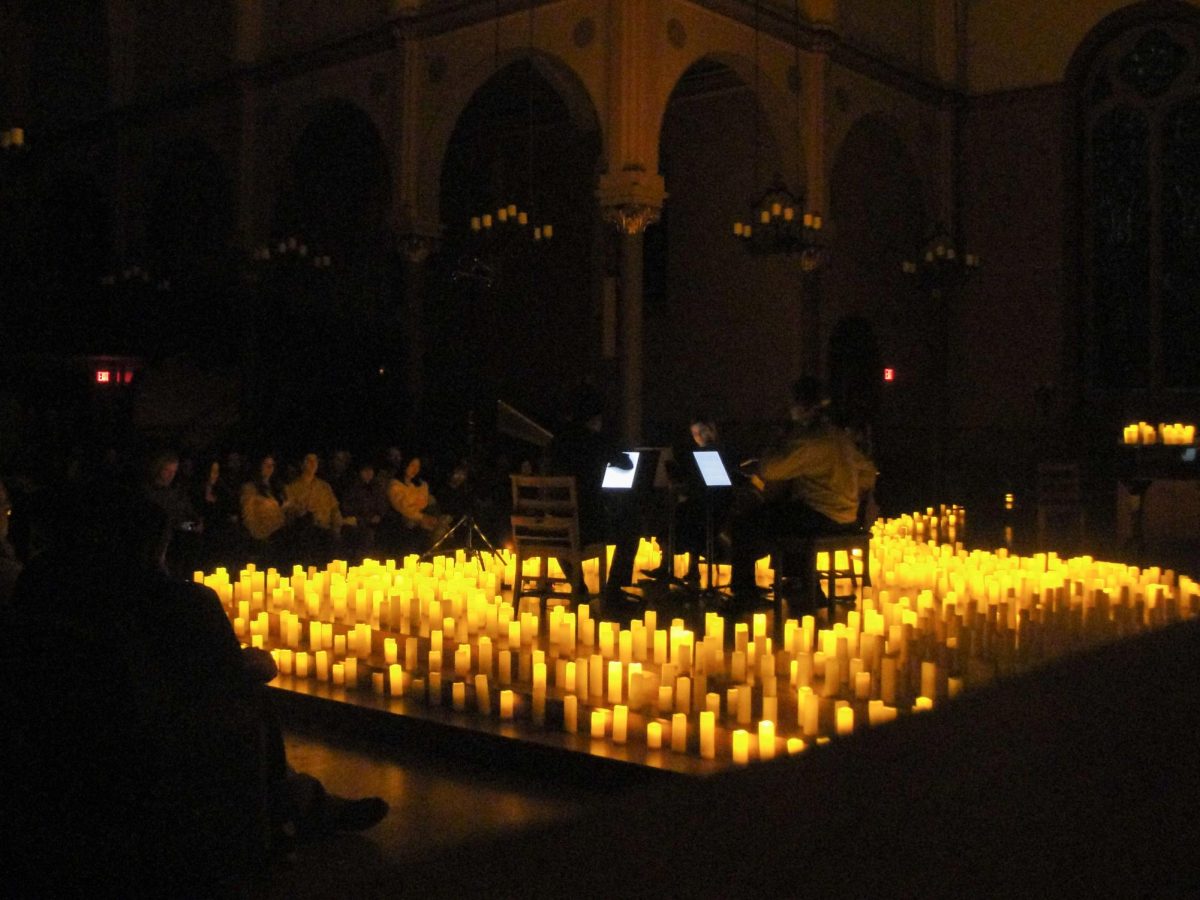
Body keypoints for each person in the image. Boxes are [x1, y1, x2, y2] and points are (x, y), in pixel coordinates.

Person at [4, 483, 387, 894]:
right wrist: (258, 662)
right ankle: (292, 809)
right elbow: (226, 671)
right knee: (250, 703)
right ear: (156, 547)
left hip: (55, 730)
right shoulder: (182, 601)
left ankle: (299, 800)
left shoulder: (42, 586)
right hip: (153, 737)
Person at [729, 377, 877, 607]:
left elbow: (770, 469)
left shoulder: (808, 439)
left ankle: (745, 594)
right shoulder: (838, 437)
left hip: (821, 516)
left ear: (802, 407)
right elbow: (868, 472)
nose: (791, 411)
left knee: (746, 524)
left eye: (793, 406)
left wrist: (777, 441)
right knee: (784, 514)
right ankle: (802, 582)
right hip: (846, 516)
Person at [546, 384, 639, 602]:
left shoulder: (556, 441)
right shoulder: (596, 440)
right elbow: (626, 464)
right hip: (588, 524)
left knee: (564, 536)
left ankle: (578, 586)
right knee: (632, 526)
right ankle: (614, 589)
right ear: (595, 417)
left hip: (554, 525)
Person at [285, 452, 351, 564]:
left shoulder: (324, 486)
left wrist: (338, 525)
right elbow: (290, 512)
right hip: (307, 529)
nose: (313, 464)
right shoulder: (292, 488)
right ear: (302, 464)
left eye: (315, 461)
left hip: (326, 527)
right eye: (309, 461)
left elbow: (334, 508)